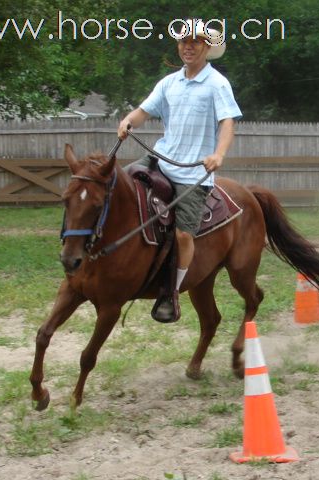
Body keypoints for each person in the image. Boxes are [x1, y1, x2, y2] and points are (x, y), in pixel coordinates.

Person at [117, 19, 242, 323]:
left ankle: (170, 293)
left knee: (184, 234)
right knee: (119, 191)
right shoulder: (169, 83)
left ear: (207, 47)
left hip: (193, 174)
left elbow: (227, 122)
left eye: (196, 42)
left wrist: (218, 154)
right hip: (160, 161)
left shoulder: (217, 85)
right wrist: (128, 121)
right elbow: (144, 111)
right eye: (184, 41)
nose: (189, 46)